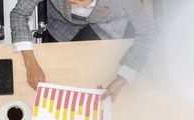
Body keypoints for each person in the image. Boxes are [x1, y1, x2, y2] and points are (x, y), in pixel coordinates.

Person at [10, 0, 158, 100]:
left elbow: (148, 32)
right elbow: (19, 14)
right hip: (61, 22)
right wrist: (30, 63)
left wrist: (124, 77)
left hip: (106, 23)